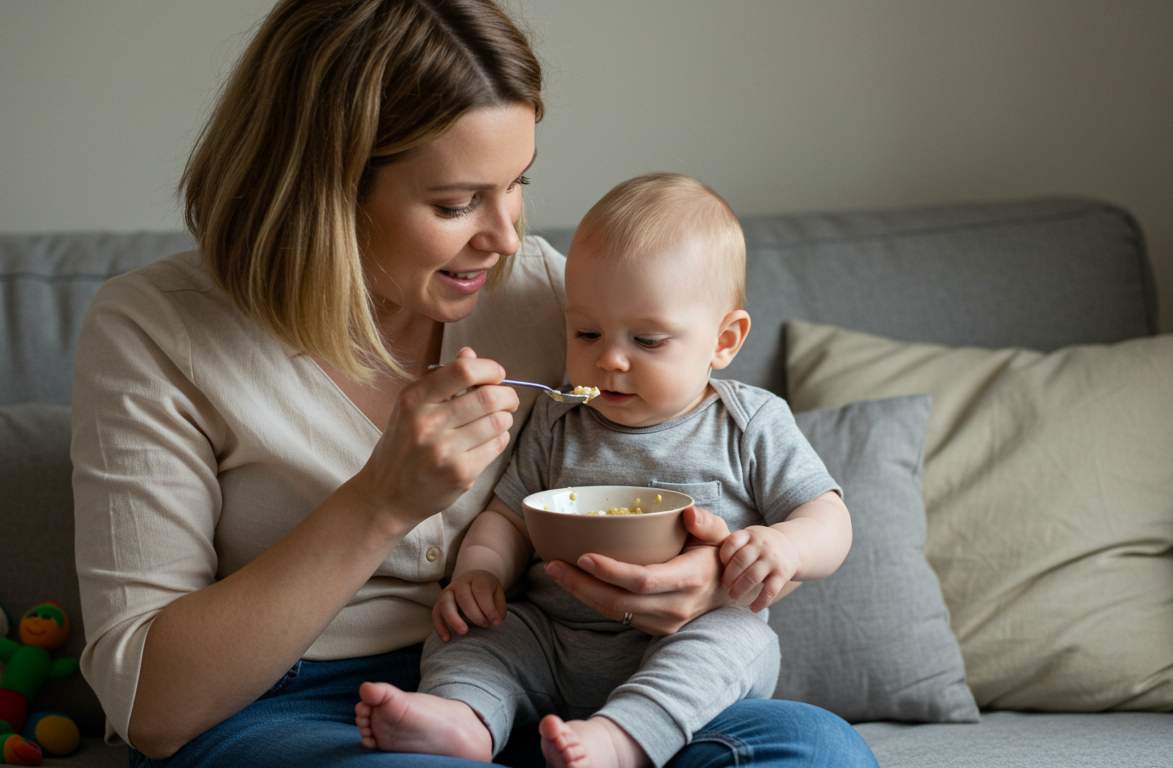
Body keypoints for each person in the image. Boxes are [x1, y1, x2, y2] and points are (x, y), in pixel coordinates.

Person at [71, 1, 879, 765]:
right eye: (458, 203)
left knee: (816, 749)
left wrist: (697, 583)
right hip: (296, 704)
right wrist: (381, 499)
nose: (506, 235)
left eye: (517, 182)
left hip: (567, 683)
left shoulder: (553, 298)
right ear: (328, 192)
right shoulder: (156, 330)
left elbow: (673, 453)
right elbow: (151, 709)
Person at [354, 173, 859, 768]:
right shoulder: (558, 416)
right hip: (550, 637)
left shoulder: (748, 422)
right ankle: (464, 720)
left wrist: (785, 547)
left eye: (647, 340)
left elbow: (829, 516)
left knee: (739, 638)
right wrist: (479, 574)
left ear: (724, 341)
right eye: (586, 332)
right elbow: (507, 517)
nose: (609, 358)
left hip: (680, 642)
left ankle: (624, 740)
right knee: (472, 633)